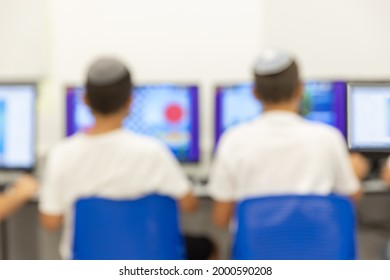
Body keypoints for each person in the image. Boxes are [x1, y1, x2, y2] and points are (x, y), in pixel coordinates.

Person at [39, 58, 197, 259]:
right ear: (130, 101)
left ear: (85, 100)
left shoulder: (61, 154)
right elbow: (190, 204)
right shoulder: (153, 152)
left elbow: (50, 222)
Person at [209, 49, 363, 228]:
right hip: (316, 251)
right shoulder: (328, 138)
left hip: (257, 253)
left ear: (255, 93)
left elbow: (221, 219)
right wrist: (355, 174)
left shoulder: (233, 140)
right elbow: (350, 197)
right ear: (300, 89)